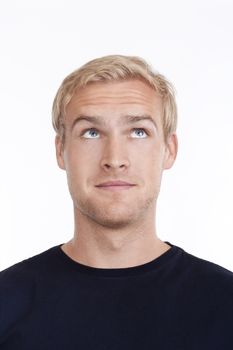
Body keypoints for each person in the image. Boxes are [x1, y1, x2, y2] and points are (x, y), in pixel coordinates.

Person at [0, 55, 232, 350]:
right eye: (91, 133)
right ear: (61, 151)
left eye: (138, 132)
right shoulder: (7, 302)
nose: (114, 159)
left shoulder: (225, 303)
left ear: (169, 150)